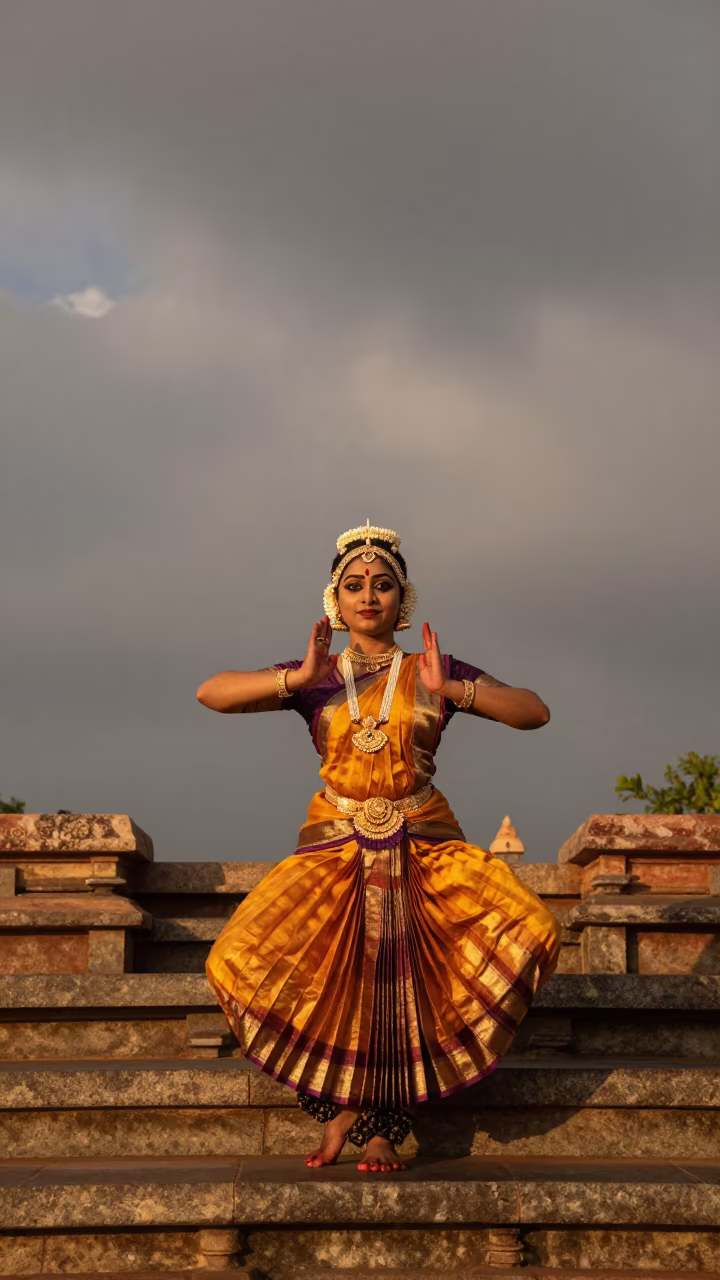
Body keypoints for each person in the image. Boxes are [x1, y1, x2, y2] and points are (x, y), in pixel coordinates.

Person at [199, 522, 561, 1175]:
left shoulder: (434, 671)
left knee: (488, 946)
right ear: (334, 601)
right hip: (336, 843)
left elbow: (534, 711)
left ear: (405, 599)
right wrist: (295, 678)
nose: (370, 595)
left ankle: (382, 1131)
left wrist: (455, 692)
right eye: (355, 585)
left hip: (423, 838)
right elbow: (212, 693)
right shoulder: (315, 676)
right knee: (238, 959)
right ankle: (337, 1108)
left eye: (384, 584)